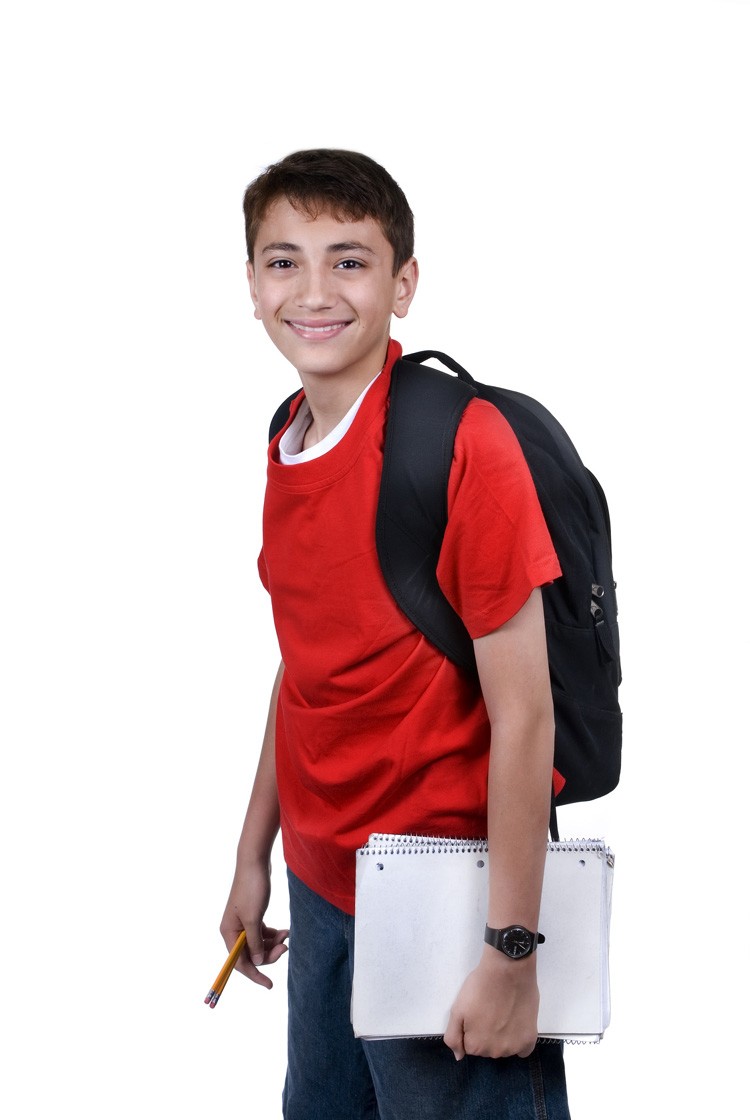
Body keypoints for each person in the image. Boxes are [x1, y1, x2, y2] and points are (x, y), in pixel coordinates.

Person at [220, 148, 571, 1120]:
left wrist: (511, 951)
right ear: (251, 283)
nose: (314, 289)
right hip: (324, 890)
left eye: (350, 258)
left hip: (445, 902)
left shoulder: (459, 444)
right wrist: (256, 852)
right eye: (284, 260)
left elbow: (526, 714)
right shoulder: (287, 432)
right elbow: (308, 665)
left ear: (403, 282)